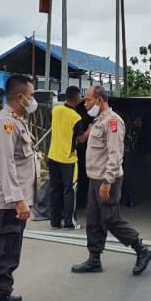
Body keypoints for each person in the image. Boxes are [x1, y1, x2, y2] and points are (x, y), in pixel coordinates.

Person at [71, 86, 151, 276]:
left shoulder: (113, 122)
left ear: (100, 100)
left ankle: (142, 250)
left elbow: (115, 154)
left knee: (110, 218)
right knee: (93, 219)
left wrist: (107, 181)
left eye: (88, 100)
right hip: (95, 178)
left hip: (107, 179)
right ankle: (94, 259)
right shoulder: (98, 121)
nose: (85, 104)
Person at [0, 75, 38, 301]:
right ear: (20, 98)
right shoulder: (4, 124)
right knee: (7, 253)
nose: (33, 100)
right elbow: (6, 167)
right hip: (8, 202)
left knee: (3, 249)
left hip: (13, 199)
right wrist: (18, 201)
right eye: (33, 95)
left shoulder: (16, 121)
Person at [47, 86, 89, 230]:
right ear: (77, 98)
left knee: (55, 190)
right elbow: (81, 139)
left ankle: (55, 222)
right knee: (69, 190)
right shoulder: (76, 117)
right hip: (68, 159)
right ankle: (70, 222)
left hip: (53, 156)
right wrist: (90, 129)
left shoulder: (55, 110)